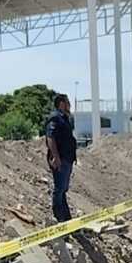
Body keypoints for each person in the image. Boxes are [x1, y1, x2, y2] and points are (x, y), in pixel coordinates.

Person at [45, 94, 77, 223]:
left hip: (67, 159)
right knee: (59, 188)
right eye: (68, 102)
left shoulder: (65, 118)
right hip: (60, 159)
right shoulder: (55, 118)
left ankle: (66, 218)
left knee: (63, 189)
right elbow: (50, 137)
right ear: (62, 103)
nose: (70, 105)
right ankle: (59, 217)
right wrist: (56, 157)